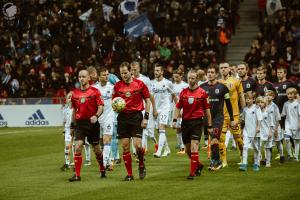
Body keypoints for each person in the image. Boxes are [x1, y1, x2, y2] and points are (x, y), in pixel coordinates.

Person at [112, 62, 150, 181]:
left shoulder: (140, 84)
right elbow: (114, 102)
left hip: (136, 117)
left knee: (138, 145)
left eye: (125, 72)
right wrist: (116, 106)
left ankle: (141, 165)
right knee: (125, 146)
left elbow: (147, 100)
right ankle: (129, 174)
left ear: (131, 72)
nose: (123, 75)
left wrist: (146, 117)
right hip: (123, 117)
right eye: (121, 73)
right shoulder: (117, 86)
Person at [173, 69, 212, 179]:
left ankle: (192, 173)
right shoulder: (183, 92)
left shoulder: (202, 93)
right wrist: (175, 120)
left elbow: (207, 111)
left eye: (193, 78)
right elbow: (178, 107)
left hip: (197, 122)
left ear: (197, 79)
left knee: (195, 147)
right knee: (188, 150)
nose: (191, 80)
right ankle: (198, 165)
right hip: (185, 122)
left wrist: (209, 126)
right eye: (189, 78)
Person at [69, 69, 105, 182]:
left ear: (89, 78)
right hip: (80, 123)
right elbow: (74, 110)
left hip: (92, 122)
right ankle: (77, 175)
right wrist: (71, 125)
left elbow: (101, 107)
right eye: (80, 77)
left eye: (83, 76)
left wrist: (96, 116)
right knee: (78, 146)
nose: (81, 79)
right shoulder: (75, 93)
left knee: (97, 150)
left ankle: (102, 168)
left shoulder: (95, 91)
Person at [200, 65, 235, 170]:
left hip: (218, 118)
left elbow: (228, 104)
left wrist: (232, 119)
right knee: (212, 139)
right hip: (206, 118)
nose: (210, 74)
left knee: (215, 139)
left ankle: (214, 161)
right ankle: (218, 160)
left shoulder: (223, 88)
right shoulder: (202, 87)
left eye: (212, 72)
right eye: (208, 72)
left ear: (216, 74)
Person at [218, 62, 245, 167]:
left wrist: (243, 111)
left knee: (238, 138)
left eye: (225, 67)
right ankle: (224, 161)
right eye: (221, 68)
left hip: (234, 115)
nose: (223, 69)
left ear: (229, 69)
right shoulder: (217, 82)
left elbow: (241, 96)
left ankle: (243, 157)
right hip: (221, 116)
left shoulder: (236, 81)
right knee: (221, 138)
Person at [131, 61, 158, 154]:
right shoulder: (129, 80)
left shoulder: (145, 80)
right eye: (132, 70)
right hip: (133, 108)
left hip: (144, 107)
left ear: (139, 69)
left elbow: (150, 96)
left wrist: (154, 109)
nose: (133, 71)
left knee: (146, 130)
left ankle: (149, 145)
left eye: (135, 69)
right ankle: (137, 151)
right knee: (134, 129)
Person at [152, 63, 178, 158]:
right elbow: (151, 98)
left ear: (162, 72)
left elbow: (174, 95)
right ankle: (167, 149)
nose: (156, 72)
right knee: (159, 130)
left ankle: (159, 151)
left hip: (165, 108)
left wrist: (179, 108)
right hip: (156, 109)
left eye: (158, 70)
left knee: (161, 127)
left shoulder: (168, 83)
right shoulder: (152, 83)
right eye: (155, 70)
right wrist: (153, 109)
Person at [93, 68, 115, 169]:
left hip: (109, 117)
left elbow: (118, 100)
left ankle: (104, 163)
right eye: (104, 75)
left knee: (107, 140)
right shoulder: (94, 88)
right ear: (99, 76)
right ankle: (109, 160)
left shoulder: (112, 88)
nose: (106, 77)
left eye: (107, 74)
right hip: (97, 117)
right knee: (101, 141)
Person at [239, 92, 262, 171]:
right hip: (247, 131)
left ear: (253, 99)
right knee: (245, 147)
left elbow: (259, 119)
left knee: (256, 148)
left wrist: (258, 127)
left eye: (249, 99)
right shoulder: (245, 109)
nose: (247, 100)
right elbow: (243, 120)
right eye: (246, 99)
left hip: (255, 132)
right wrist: (240, 127)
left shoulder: (257, 108)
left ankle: (256, 163)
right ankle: (244, 164)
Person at [172, 69, 188, 154]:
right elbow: (172, 98)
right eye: (174, 77)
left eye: (177, 77)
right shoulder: (172, 86)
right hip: (176, 109)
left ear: (181, 76)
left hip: (184, 109)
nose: (175, 78)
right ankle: (180, 145)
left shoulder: (185, 85)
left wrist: (183, 110)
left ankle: (184, 146)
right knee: (177, 128)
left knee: (183, 128)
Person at [281, 88, 300, 161]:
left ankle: (296, 156)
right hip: (288, 124)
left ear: (294, 94)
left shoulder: (298, 103)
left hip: (296, 124)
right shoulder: (286, 104)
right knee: (286, 139)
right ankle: (289, 154)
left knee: (296, 141)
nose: (289, 95)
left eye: (291, 94)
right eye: (288, 94)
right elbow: (283, 114)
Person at [265, 90, 284, 163]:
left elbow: (278, 118)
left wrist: (276, 129)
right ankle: (267, 159)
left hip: (275, 127)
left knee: (278, 142)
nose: (267, 96)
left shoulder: (274, 106)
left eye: (269, 95)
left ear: (273, 97)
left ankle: (282, 156)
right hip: (267, 128)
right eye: (266, 95)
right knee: (267, 143)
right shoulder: (264, 106)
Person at [257, 96, 273, 167]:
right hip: (259, 133)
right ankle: (259, 160)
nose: (260, 104)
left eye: (261, 102)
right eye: (258, 102)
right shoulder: (256, 112)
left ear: (265, 103)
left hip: (267, 132)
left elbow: (271, 123)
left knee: (267, 148)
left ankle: (268, 162)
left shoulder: (268, 111)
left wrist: (270, 132)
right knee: (258, 147)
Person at [60, 92, 74, 171]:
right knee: (67, 146)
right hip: (68, 130)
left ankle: (75, 162)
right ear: (66, 100)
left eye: (71, 97)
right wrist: (63, 131)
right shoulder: (65, 110)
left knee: (75, 146)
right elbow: (64, 121)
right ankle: (67, 163)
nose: (70, 99)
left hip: (75, 130)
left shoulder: (76, 109)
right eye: (69, 97)